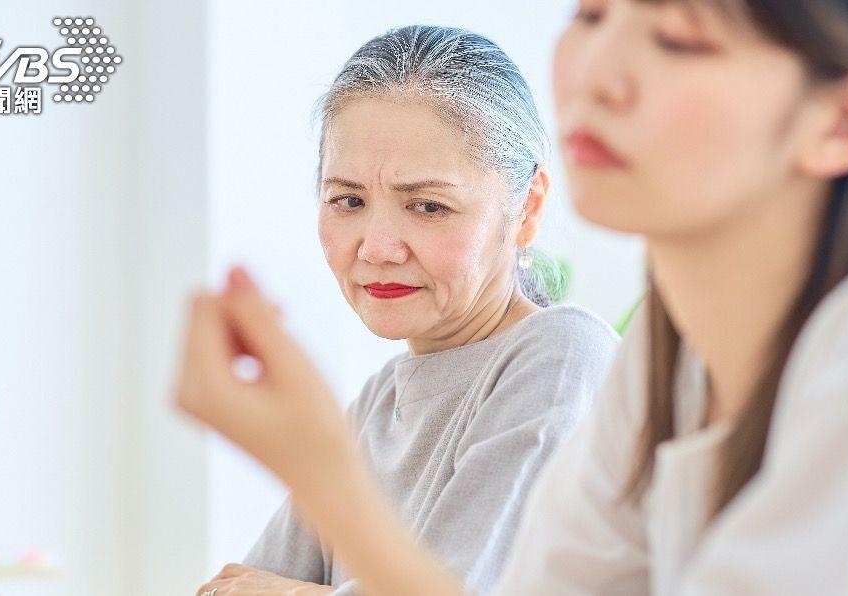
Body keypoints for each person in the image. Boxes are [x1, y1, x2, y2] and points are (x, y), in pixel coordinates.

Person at [176, 1, 848, 594]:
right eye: (593, 15)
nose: (598, 74)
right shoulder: (666, 365)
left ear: (841, 119)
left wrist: (325, 478)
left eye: (679, 38)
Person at [195, 25, 619, 596]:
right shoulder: (376, 404)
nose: (376, 247)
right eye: (348, 200)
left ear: (527, 208)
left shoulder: (564, 355)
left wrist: (290, 591)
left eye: (428, 205)